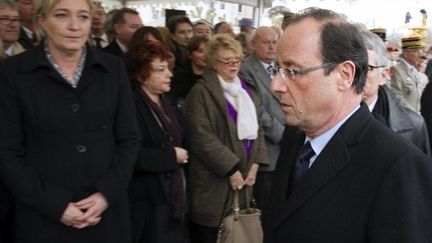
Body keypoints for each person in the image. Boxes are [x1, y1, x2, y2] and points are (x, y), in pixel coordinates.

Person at [263, 8, 432, 243]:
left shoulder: (399, 166)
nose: (275, 85)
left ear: (344, 75)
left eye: (292, 71)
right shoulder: (296, 135)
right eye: (277, 70)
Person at [0, 0, 141, 242]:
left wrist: (106, 193)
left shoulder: (113, 68)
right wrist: (55, 205)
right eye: (62, 15)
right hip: (42, 218)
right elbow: (7, 153)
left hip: (107, 215)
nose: (74, 26)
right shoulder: (12, 73)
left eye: (83, 17)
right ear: (42, 20)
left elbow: (129, 138)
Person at [182, 34, 268, 243]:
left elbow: (258, 129)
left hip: (245, 177)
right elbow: (201, 137)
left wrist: (256, 163)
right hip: (213, 181)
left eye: (237, 60)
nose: (233, 65)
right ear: (213, 62)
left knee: (237, 233)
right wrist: (230, 168)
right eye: (226, 60)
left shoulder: (247, 90)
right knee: (211, 234)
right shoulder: (201, 92)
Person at [124, 41, 188, 243]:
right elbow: (131, 154)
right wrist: (172, 156)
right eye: (160, 70)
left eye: (168, 68)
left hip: (173, 197)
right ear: (141, 74)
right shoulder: (131, 105)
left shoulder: (165, 101)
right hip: (148, 201)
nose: (169, 74)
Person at [359, 28, 430, 155]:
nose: (355, 76)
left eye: (367, 68)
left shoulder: (413, 125)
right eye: (348, 67)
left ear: (384, 75)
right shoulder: (323, 118)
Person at [238, 26, 284, 211]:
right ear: (253, 45)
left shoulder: (281, 66)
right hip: (267, 149)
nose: (272, 47)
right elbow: (255, 109)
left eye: (274, 42)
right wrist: (282, 132)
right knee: (266, 207)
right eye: (266, 42)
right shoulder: (245, 70)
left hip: (286, 148)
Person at [390, 36, 428, 112]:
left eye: (420, 52)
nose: (420, 55)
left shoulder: (414, 70)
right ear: (406, 54)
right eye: (417, 51)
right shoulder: (396, 70)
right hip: (404, 117)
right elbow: (397, 97)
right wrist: (413, 114)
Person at [169, 35, 208, 109]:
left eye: (208, 51)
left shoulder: (215, 77)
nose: (205, 55)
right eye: (200, 51)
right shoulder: (179, 78)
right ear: (189, 54)